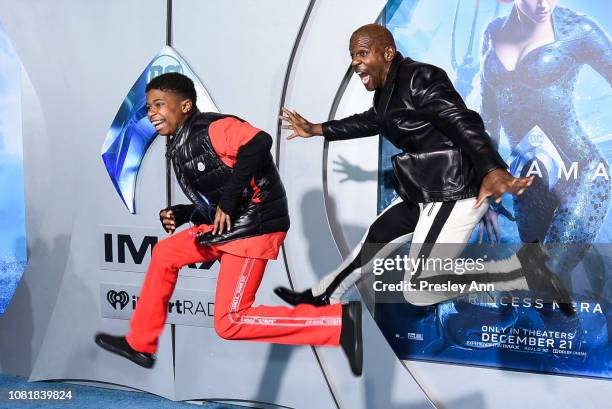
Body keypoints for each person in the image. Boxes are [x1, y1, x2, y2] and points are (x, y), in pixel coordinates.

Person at [275, 24, 574, 314]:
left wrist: (492, 169)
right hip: (424, 186)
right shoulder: (386, 91)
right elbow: (372, 120)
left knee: (418, 289)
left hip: (453, 190)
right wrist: (317, 129)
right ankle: (326, 295)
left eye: (362, 53)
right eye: (353, 55)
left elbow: (462, 120)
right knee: (377, 236)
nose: (355, 62)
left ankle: (520, 273)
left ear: (388, 52)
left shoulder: (420, 77)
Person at [94, 73, 363, 376]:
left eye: (159, 104)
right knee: (166, 254)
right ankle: (141, 343)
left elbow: (259, 142)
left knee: (231, 321)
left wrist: (227, 203)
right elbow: (220, 192)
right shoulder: (182, 143)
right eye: (149, 107)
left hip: (254, 228)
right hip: (229, 227)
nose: (152, 113)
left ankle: (338, 324)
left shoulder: (212, 128)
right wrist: (184, 213)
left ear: (185, 106)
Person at [479, 0, 612, 291]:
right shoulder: (492, 32)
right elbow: (489, 119)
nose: (543, 3)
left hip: (584, 176)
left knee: (545, 273)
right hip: (529, 182)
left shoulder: (579, 29)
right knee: (541, 292)